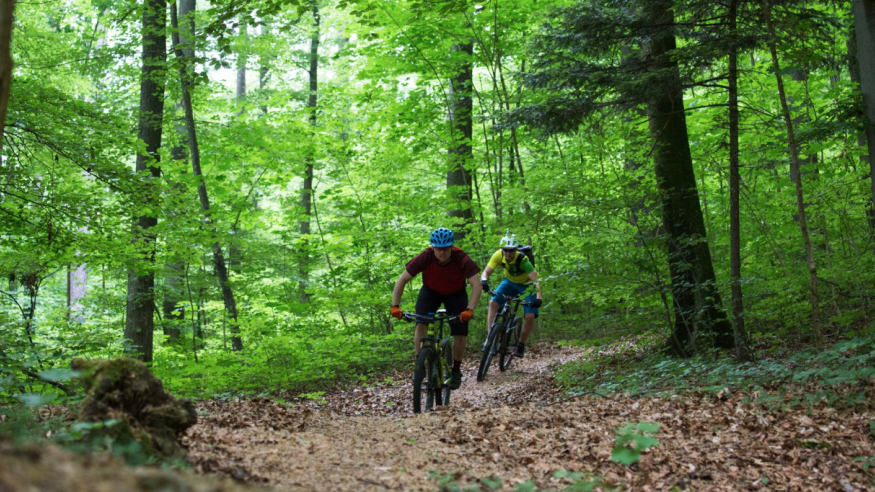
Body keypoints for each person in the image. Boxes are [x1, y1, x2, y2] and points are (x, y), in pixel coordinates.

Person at [390, 228, 482, 389]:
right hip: (430, 292)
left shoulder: (461, 258)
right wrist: (395, 306)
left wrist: (469, 309)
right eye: (438, 248)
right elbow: (402, 280)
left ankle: (456, 371)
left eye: (445, 248)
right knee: (420, 323)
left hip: (456, 293)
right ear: (433, 247)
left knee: (459, 332)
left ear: (452, 247)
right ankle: (420, 365)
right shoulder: (426, 256)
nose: (442, 252)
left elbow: (476, 284)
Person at [480, 234, 542, 358]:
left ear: (516, 249)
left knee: (530, 316)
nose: (508, 253)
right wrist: (484, 281)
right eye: (506, 250)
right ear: (502, 249)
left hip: (527, 285)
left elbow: (536, 280)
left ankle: (521, 345)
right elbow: (486, 272)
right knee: (493, 303)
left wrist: (538, 299)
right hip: (510, 282)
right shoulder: (498, 255)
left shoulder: (523, 260)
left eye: (511, 250)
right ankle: (490, 339)